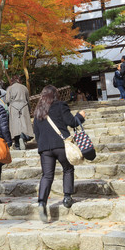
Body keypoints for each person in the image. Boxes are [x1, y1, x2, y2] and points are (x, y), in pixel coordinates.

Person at [33, 85, 86, 222]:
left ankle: (41, 203)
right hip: (61, 144)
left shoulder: (38, 110)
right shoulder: (61, 105)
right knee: (68, 169)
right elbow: (71, 122)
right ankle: (67, 197)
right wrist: (80, 116)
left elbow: (36, 132)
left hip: (45, 148)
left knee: (47, 175)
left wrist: (41, 147)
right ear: (55, 94)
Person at [5, 75, 34, 150]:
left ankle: (17, 143)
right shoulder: (24, 87)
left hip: (14, 107)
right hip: (24, 106)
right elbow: (28, 99)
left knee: (15, 126)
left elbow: (7, 100)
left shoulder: (10, 88)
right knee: (24, 124)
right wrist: (29, 109)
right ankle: (23, 138)